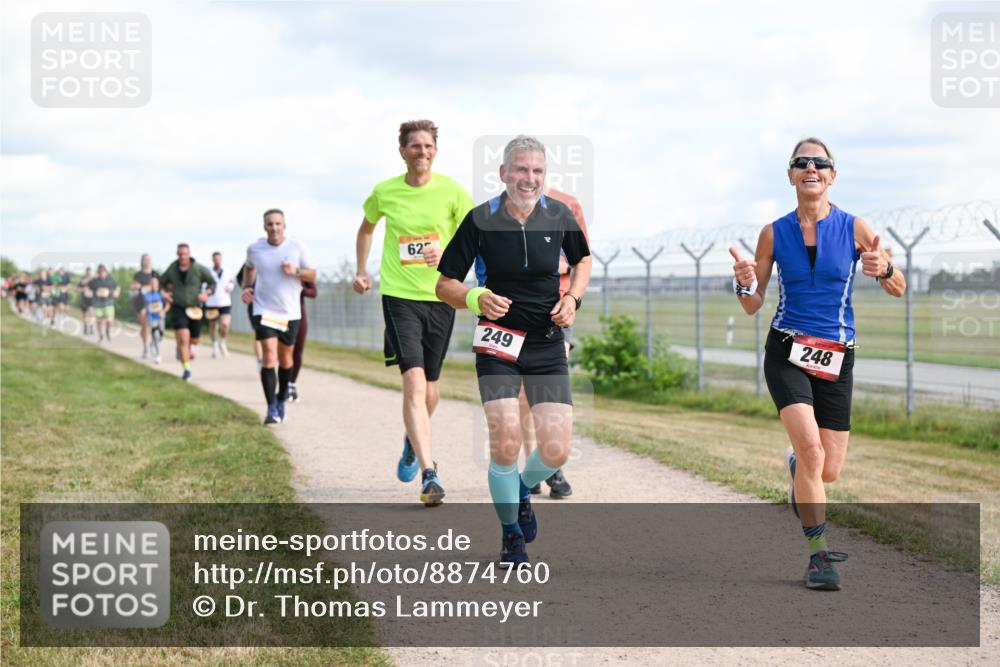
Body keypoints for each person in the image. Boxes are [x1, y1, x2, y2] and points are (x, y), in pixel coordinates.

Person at [729, 137, 905, 591]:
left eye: (820, 162)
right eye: (802, 162)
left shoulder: (854, 227)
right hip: (787, 350)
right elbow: (752, 304)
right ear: (791, 175)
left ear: (832, 175)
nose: (811, 168)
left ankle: (798, 469)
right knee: (811, 450)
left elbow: (899, 287)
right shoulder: (773, 232)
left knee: (827, 469)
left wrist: (884, 269)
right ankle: (819, 556)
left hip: (836, 355)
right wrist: (744, 283)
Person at [436, 135, 591, 564]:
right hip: (497, 341)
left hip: (546, 342)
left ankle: (519, 490)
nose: (529, 178)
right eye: (521, 169)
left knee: (557, 449)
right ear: (504, 172)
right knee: (505, 442)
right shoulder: (480, 219)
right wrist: (475, 297)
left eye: (537, 171)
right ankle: (511, 536)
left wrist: (572, 298)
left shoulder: (559, 214)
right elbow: (444, 284)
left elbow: (582, 260)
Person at [354, 119, 473, 506]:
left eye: (428, 145)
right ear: (402, 151)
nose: (422, 151)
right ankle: (429, 473)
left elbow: (474, 237)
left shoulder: (452, 191)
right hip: (399, 296)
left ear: (435, 150)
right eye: (415, 146)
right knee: (414, 383)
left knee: (431, 391)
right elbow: (366, 229)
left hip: (441, 295)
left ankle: (412, 438)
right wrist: (361, 270)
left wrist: (448, 254)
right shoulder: (384, 191)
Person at [242, 209, 316, 425]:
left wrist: (296, 271)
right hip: (264, 309)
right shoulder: (255, 249)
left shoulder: (297, 247)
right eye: (270, 224)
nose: (274, 228)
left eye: (277, 223)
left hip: (290, 312)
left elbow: (312, 273)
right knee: (269, 356)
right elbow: (249, 268)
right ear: (264, 226)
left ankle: (281, 398)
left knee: (286, 359)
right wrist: (247, 287)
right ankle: (271, 407)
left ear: (284, 225)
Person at [159, 243, 216, 381]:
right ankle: (186, 370)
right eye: (180, 254)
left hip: (195, 307)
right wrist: (164, 294)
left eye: (184, 254)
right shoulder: (172, 269)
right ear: (177, 254)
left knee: (194, 339)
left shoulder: (198, 268)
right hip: (178, 306)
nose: (182, 257)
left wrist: (206, 293)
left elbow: (212, 283)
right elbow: (161, 283)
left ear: (189, 254)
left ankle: (188, 347)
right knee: (183, 337)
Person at [288, 278, 317, 402]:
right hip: (280, 314)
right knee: (284, 351)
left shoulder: (302, 272)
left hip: (299, 314)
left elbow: (313, 292)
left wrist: (301, 289)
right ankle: (284, 384)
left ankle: (291, 384)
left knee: (298, 350)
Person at [205, 251, 236, 358]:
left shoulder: (228, 271)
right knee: (213, 325)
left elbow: (232, 282)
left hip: (224, 302)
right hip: (212, 302)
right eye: (215, 259)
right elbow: (204, 285)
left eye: (219, 259)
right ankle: (214, 345)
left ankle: (222, 342)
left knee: (225, 324)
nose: (217, 261)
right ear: (212, 260)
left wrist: (230, 287)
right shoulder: (208, 272)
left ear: (221, 260)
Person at [236, 262, 264, 371]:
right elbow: (239, 277)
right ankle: (260, 360)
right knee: (257, 333)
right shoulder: (253, 259)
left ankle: (268, 359)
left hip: (272, 305)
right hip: (254, 304)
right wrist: (246, 288)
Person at [130, 254, 158, 359]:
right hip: (141, 302)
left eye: (148, 259)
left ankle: (151, 343)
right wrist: (135, 287)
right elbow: (133, 287)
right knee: (145, 325)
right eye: (145, 259)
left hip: (153, 302)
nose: (147, 261)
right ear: (142, 261)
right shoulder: (138, 275)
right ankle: (146, 346)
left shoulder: (155, 274)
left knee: (152, 325)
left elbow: (158, 287)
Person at [89, 264, 121, 342]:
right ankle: (101, 335)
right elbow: (88, 288)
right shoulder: (94, 281)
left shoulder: (111, 279)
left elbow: (117, 287)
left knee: (109, 320)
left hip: (108, 302)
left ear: (106, 272)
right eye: (100, 272)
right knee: (99, 321)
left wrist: (117, 293)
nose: (101, 273)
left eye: (103, 272)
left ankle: (107, 331)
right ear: (98, 272)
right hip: (98, 303)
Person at [143, 275, 166, 364]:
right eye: (152, 283)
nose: (153, 284)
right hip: (151, 318)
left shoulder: (161, 294)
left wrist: (163, 311)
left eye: (155, 283)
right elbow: (144, 306)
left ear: (158, 284)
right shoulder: (146, 295)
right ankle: (158, 355)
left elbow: (168, 304)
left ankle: (152, 343)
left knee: (161, 335)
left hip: (160, 317)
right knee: (155, 335)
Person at [78, 267, 96, 335]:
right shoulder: (82, 280)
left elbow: (98, 288)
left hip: (92, 299)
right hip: (84, 299)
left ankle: (91, 328)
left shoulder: (94, 280)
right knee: (85, 315)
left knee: (92, 313)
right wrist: (83, 289)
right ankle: (85, 327)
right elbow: (77, 289)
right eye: (87, 272)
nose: (89, 273)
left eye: (90, 272)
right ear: (86, 272)